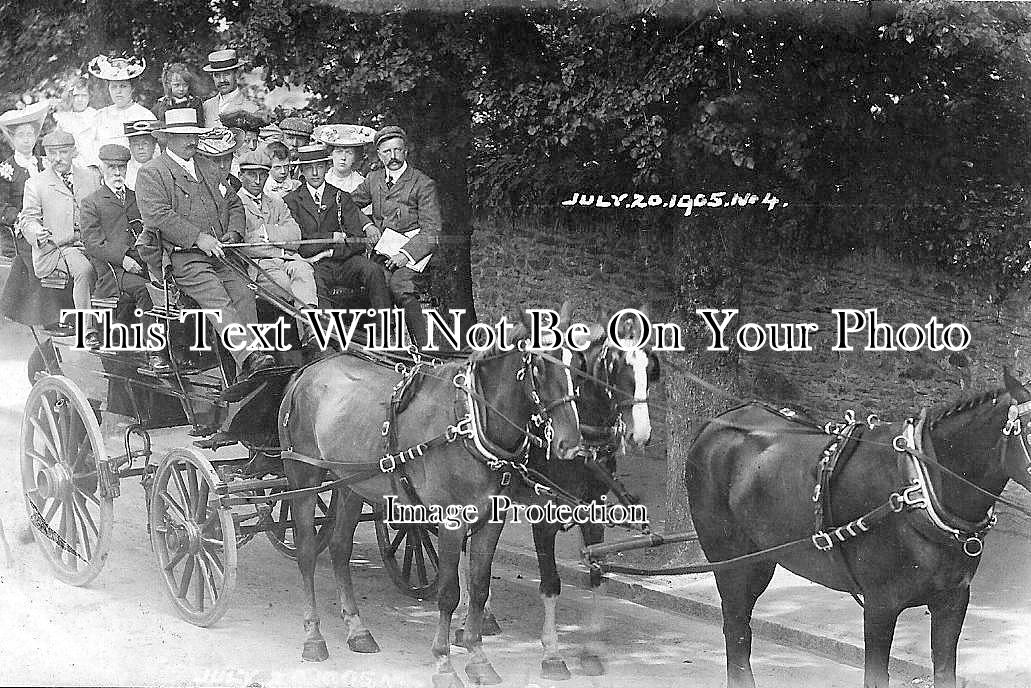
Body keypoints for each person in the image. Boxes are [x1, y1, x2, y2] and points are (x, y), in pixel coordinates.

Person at [134, 108, 275, 379]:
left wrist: (233, 233)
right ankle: (249, 358)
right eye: (184, 135)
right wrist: (198, 238)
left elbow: (234, 202)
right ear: (168, 139)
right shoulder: (152, 173)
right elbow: (157, 215)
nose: (191, 140)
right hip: (183, 257)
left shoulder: (207, 165)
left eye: (194, 135)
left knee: (244, 292)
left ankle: (251, 366)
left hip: (221, 252)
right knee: (216, 296)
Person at [80, 144, 170, 371]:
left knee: (172, 286)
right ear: (103, 168)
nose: (117, 173)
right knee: (146, 290)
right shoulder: (92, 202)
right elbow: (93, 243)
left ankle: (181, 347)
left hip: (144, 263)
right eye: (112, 168)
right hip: (114, 271)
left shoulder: (136, 197)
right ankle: (155, 353)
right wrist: (123, 259)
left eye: (121, 167)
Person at [350, 126, 442, 349]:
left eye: (397, 150)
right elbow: (348, 205)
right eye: (387, 152)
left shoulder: (423, 183)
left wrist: (406, 254)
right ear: (379, 155)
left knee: (401, 286)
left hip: (413, 257)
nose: (393, 157)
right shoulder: (373, 179)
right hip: (382, 254)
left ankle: (425, 350)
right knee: (373, 282)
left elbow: (432, 231)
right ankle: (383, 346)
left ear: (406, 152)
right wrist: (368, 224)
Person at [19, 130, 102, 347]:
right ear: (46, 156)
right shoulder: (36, 183)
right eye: (52, 153)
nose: (58, 158)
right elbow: (27, 219)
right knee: (84, 271)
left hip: (93, 243)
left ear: (73, 151)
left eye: (63, 152)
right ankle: (88, 329)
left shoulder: (91, 177)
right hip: (59, 247)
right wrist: (37, 231)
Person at [283, 144, 390, 312]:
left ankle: (384, 327)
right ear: (302, 171)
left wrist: (331, 251)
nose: (315, 173)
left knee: (373, 270)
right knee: (314, 282)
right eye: (309, 168)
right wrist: (333, 237)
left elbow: (357, 240)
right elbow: (300, 242)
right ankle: (327, 333)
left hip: (344, 261)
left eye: (319, 167)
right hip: (314, 265)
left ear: (327, 168)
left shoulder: (341, 196)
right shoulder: (291, 201)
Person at [235, 148, 319, 351]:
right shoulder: (235, 204)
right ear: (240, 176)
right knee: (285, 284)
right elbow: (246, 245)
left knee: (305, 270)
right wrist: (280, 248)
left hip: (288, 259)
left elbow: (295, 237)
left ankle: (311, 329)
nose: (257, 180)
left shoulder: (276, 202)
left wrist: (266, 232)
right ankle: (293, 344)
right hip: (258, 266)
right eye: (252, 175)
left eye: (262, 175)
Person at [84, 55, 155, 167]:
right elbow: (89, 149)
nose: (118, 91)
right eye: (114, 87)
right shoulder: (100, 116)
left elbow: (153, 153)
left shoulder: (144, 115)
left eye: (123, 86)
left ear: (132, 88)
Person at [0, 101, 50, 257]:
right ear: (12, 139)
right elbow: (2, 205)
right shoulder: (6, 170)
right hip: (18, 231)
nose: (27, 140)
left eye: (30, 134)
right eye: (21, 135)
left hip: (49, 225)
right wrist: (22, 220)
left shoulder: (44, 164)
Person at [201, 49, 258, 128]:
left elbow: (275, 135)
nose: (222, 80)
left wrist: (252, 140)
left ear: (236, 74)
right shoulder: (207, 106)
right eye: (217, 75)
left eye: (226, 74)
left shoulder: (250, 105)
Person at [313, 124, 375, 195]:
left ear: (355, 157)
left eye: (349, 153)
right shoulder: (320, 179)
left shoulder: (361, 184)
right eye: (339, 152)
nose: (343, 158)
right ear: (331, 154)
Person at [54, 79, 98, 162]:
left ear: (89, 97)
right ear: (70, 97)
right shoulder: (64, 119)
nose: (80, 99)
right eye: (76, 95)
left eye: (84, 95)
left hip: (90, 161)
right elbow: (58, 145)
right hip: (70, 163)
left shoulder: (95, 116)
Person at [195, 127, 243, 194]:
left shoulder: (237, 185)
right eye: (216, 160)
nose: (222, 166)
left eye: (226, 160)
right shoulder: (197, 186)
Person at [123, 119, 159, 190]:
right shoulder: (124, 172)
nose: (140, 147)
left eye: (145, 143)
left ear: (154, 145)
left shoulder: (163, 169)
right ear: (130, 146)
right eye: (136, 144)